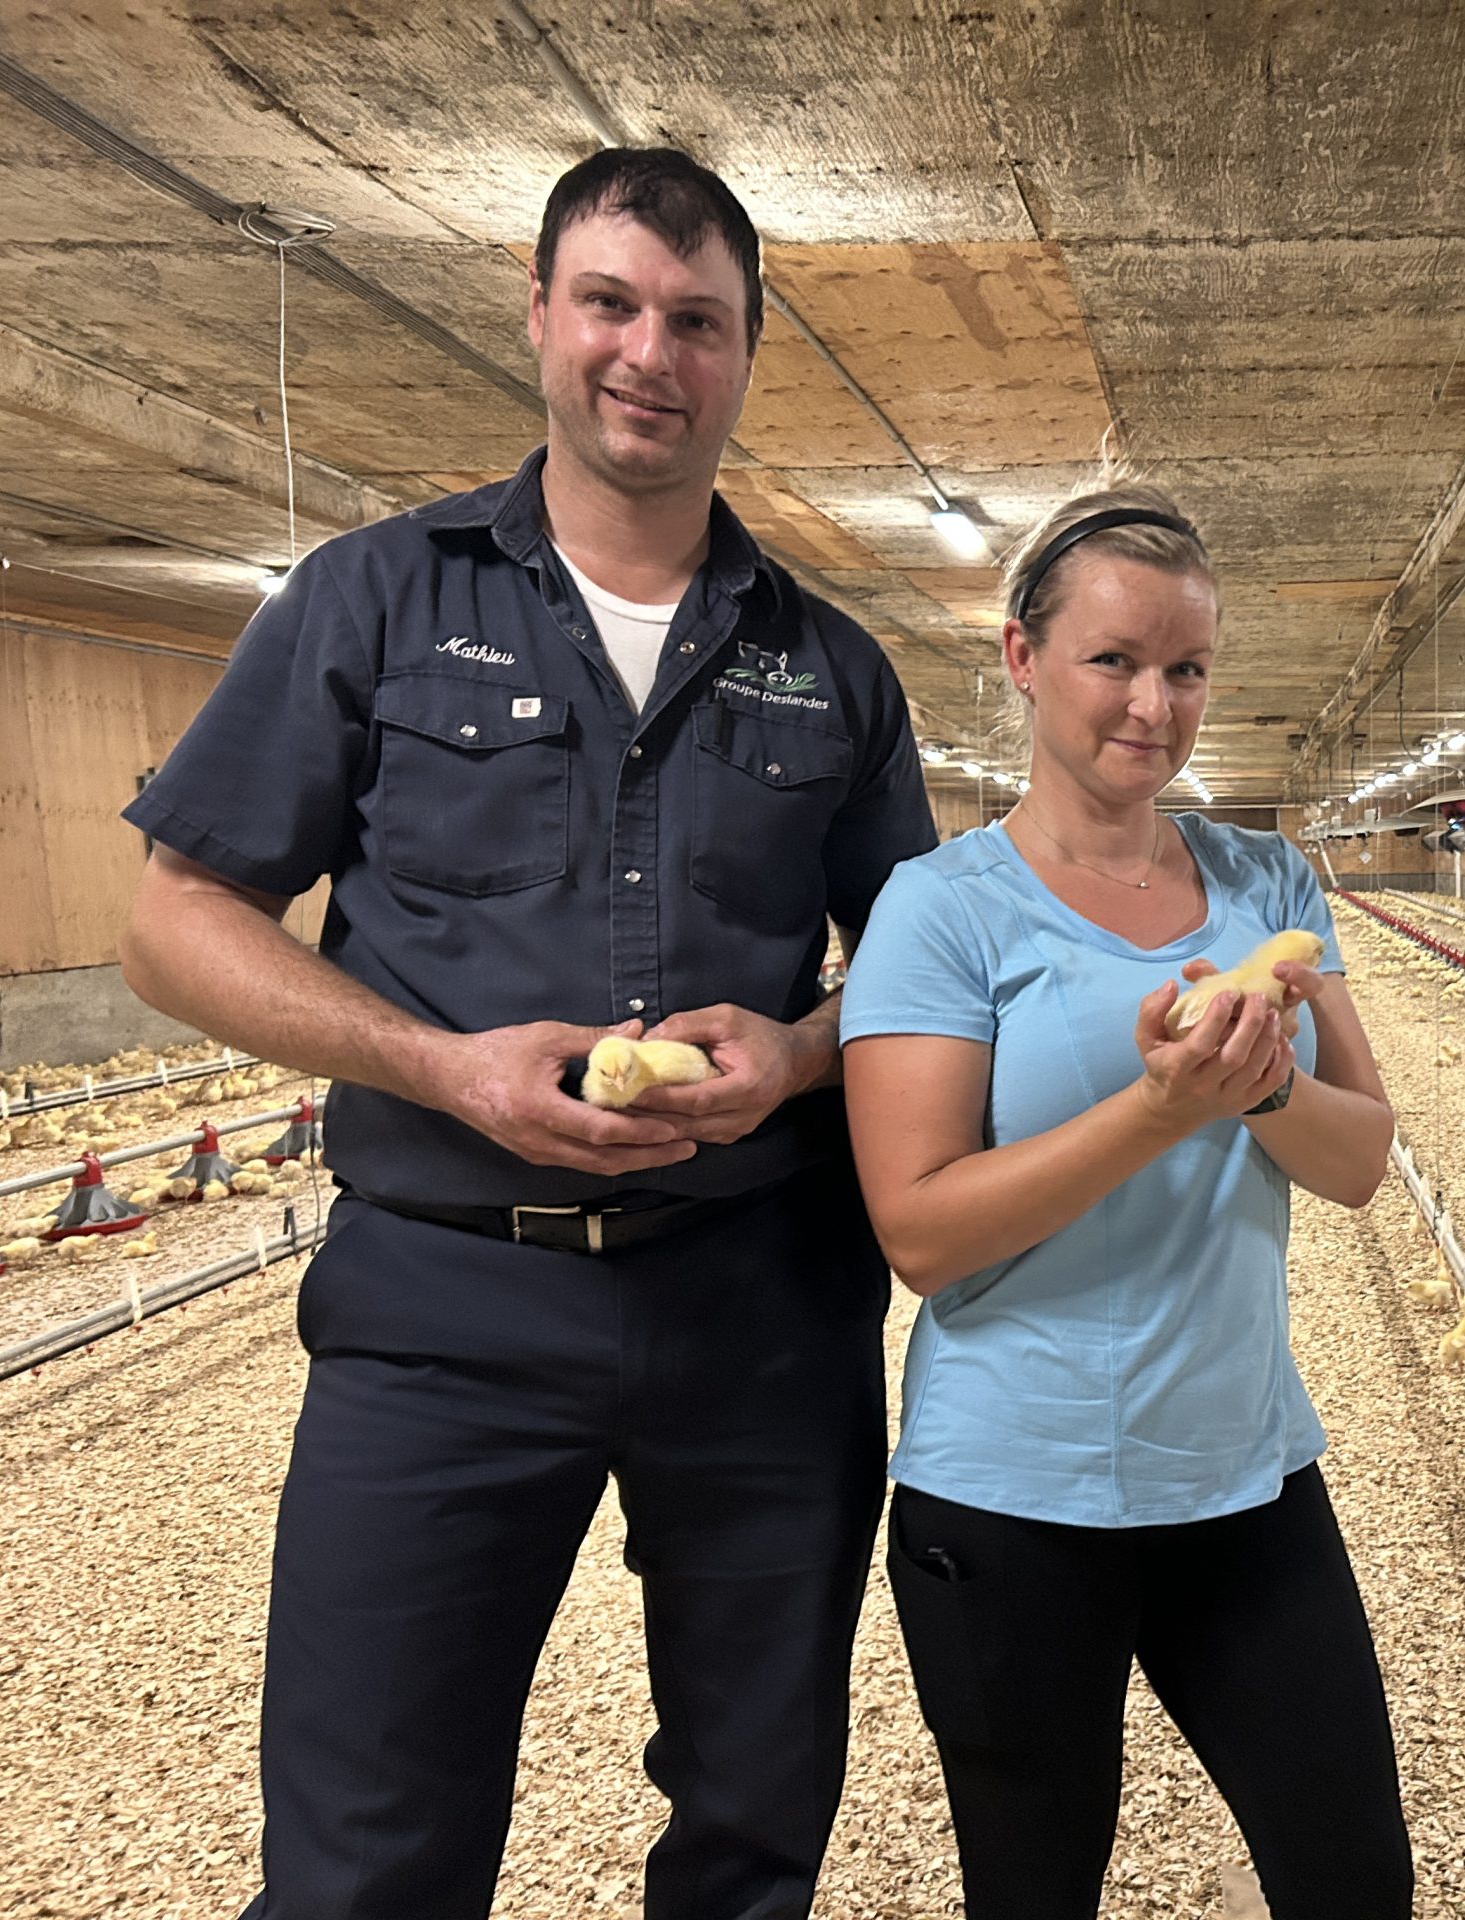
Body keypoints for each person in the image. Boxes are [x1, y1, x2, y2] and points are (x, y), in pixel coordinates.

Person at [116, 148, 935, 1919]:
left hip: (760, 1305)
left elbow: (922, 972)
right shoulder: (375, 598)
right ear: (543, 316)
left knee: (753, 1819)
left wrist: (796, 1058)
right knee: (364, 1851)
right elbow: (176, 920)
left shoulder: (835, 667)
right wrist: (436, 1064)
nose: (652, 352)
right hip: (442, 1302)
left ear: (745, 354)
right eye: (613, 303)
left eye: (698, 320)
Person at [839, 484, 1413, 1918]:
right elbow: (921, 1229)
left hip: (1244, 1476)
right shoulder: (944, 907)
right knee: (1035, 1893)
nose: (1154, 704)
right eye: (1115, 661)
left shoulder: (1267, 878)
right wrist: (1160, 1109)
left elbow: (1358, 1163)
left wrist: (1265, 1090)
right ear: (1025, 660)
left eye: (1188, 668)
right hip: (1013, 1500)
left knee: (1355, 1880)